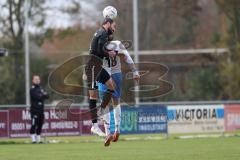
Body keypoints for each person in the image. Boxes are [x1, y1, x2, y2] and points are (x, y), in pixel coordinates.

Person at [99, 40, 140, 146]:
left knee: (105, 103)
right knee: (116, 101)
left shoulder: (99, 44)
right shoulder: (117, 43)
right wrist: (135, 71)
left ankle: (108, 133)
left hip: (104, 74)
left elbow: (93, 60)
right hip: (116, 74)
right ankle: (117, 129)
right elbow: (127, 57)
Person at [85, 18, 117, 138]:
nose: (114, 28)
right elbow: (99, 50)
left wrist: (108, 53)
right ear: (107, 24)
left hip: (98, 66)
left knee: (111, 86)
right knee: (93, 96)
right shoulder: (102, 32)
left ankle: (102, 109)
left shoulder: (100, 33)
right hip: (93, 66)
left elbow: (99, 49)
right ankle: (94, 125)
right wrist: (110, 53)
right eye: (114, 25)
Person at [29, 75, 49, 143]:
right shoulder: (32, 89)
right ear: (33, 80)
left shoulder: (41, 88)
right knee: (34, 124)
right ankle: (33, 139)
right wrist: (42, 95)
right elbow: (37, 97)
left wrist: (42, 95)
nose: (37, 80)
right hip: (35, 110)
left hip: (41, 110)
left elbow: (47, 96)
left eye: (38, 79)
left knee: (40, 124)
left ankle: (38, 138)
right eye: (36, 79)